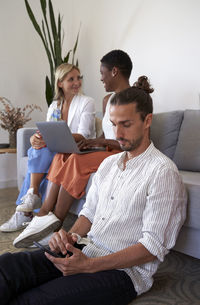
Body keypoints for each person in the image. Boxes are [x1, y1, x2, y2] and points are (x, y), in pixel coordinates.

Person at [0, 84, 187, 305]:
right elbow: (88, 214)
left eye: (126, 125)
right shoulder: (108, 164)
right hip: (85, 250)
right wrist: (70, 237)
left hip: (122, 273)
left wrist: (88, 266)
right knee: (7, 267)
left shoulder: (162, 173)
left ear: (147, 121)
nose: (117, 134)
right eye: (114, 124)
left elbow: (151, 248)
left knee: (32, 300)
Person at [13, 49, 133, 248]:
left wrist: (98, 143)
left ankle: (55, 226)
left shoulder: (133, 98)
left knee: (77, 161)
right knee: (63, 155)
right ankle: (43, 215)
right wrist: (94, 141)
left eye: (102, 73)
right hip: (107, 148)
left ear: (114, 71)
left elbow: (128, 141)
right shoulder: (107, 100)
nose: (100, 78)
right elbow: (108, 134)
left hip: (122, 153)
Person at [0, 63, 96, 232]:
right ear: (60, 83)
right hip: (56, 148)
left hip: (78, 148)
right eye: (71, 79)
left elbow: (84, 135)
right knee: (37, 147)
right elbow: (47, 129)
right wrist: (35, 137)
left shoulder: (86, 102)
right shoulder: (54, 106)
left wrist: (50, 138)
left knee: (41, 149)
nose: (77, 82)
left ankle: (28, 204)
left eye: (78, 78)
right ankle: (32, 195)